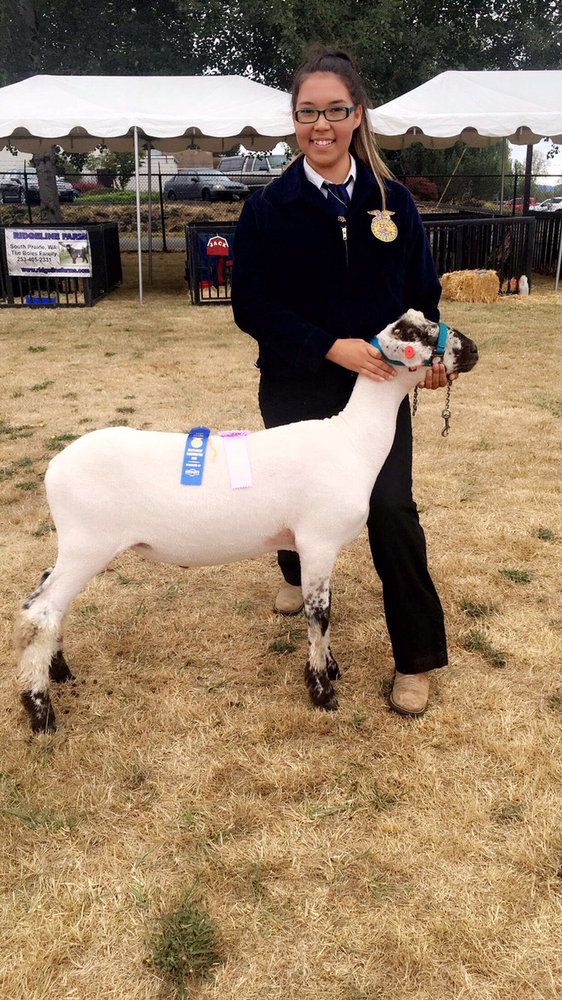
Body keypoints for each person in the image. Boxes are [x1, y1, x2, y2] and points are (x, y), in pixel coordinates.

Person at [231, 49, 453, 717]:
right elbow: (253, 307)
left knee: (389, 509)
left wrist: (429, 354)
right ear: (293, 120)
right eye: (307, 112)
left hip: (379, 393)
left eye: (334, 110)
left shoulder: (394, 204)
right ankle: (299, 575)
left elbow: (423, 298)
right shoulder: (269, 208)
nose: (320, 124)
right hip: (300, 385)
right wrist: (330, 346)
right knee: (294, 505)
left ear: (356, 116)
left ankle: (415, 658)